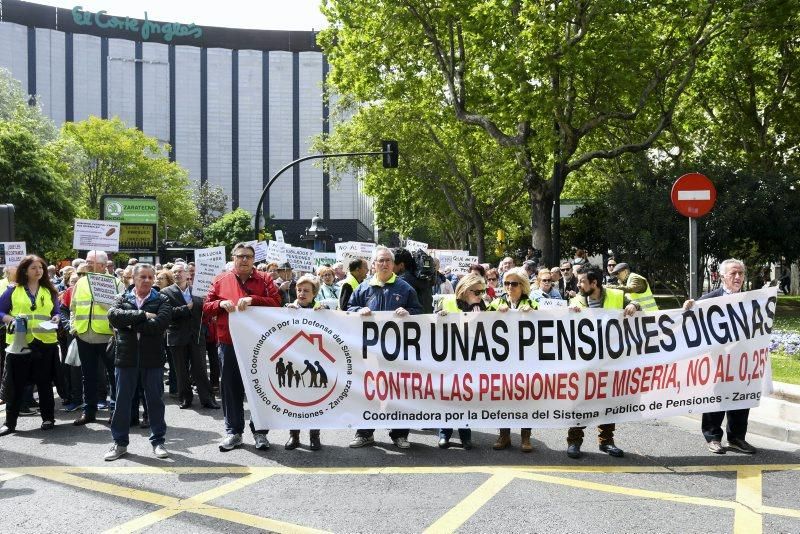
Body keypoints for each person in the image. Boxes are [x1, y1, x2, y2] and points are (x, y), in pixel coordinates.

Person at [203, 243, 282, 452]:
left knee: (258, 387)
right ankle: (234, 432)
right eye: (240, 256)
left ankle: (260, 432)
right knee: (230, 388)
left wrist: (254, 299)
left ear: (254, 259)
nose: (244, 260)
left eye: (248, 256)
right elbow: (206, 307)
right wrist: (220, 304)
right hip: (228, 342)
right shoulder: (220, 280)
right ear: (233, 258)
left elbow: (276, 303)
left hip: (259, 343)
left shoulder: (265, 280)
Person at [348, 246, 422, 449]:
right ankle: (364, 433)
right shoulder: (363, 288)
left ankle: (399, 434)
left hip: (397, 351)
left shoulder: (405, 288)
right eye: (380, 260)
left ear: (393, 264)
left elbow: (419, 312)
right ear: (373, 264)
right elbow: (348, 310)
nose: (384, 264)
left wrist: (408, 312)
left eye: (388, 260)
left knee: (398, 392)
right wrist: (357, 310)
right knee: (368, 392)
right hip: (369, 351)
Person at [566, 263, 640, 459]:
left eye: (582, 281)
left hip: (610, 361)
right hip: (585, 362)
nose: (578, 285)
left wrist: (633, 305)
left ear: (594, 282)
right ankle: (574, 441)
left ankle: (606, 441)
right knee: (580, 402)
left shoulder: (616, 296)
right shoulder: (577, 301)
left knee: (608, 401)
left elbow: (637, 304)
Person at [683, 258, 756, 455]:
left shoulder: (753, 299)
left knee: (742, 399)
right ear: (723, 276)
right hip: (718, 361)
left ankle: (737, 438)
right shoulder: (709, 300)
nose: (738, 277)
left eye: (741, 273)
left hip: (742, 361)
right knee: (716, 398)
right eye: (733, 273)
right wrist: (690, 307)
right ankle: (713, 438)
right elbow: (690, 325)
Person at [104, 264, 172, 461]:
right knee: (122, 402)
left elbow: (160, 325)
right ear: (133, 278)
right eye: (143, 276)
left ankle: (158, 441)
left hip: (153, 358)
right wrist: (143, 315)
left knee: (155, 402)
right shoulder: (122, 298)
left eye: (151, 277)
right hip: (126, 357)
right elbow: (114, 317)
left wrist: (130, 324)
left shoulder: (162, 299)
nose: (148, 280)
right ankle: (119, 443)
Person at [0, 255, 61, 436]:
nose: (39, 271)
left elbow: (55, 312)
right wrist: (10, 319)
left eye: (41, 268)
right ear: (25, 270)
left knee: (44, 384)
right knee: (16, 384)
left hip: (44, 343)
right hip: (20, 344)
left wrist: (56, 318)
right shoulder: (13, 290)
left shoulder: (50, 291)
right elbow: (0, 311)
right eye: (34, 268)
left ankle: (48, 418)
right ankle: (9, 423)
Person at [435, 273, 488, 450]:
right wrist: (439, 317)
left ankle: (465, 435)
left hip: (470, 358)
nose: (480, 295)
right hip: (449, 356)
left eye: (482, 292)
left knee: (465, 397)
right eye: (477, 292)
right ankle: (444, 433)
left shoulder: (482, 306)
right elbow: (431, 324)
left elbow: (487, 331)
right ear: (466, 289)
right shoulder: (447, 301)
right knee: (447, 396)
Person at [71, 250, 124, 426]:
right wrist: (74, 328)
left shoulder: (116, 283)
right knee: (88, 376)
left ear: (102, 265)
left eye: (89, 261)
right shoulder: (81, 282)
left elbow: (121, 309)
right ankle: (89, 411)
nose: (86, 264)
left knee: (113, 375)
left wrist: (101, 300)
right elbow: (73, 307)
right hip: (84, 335)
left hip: (107, 336)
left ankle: (114, 411)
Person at [487, 267, 537, 452]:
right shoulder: (495, 303)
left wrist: (532, 313)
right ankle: (504, 435)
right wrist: (494, 313)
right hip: (502, 361)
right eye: (506, 283)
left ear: (522, 286)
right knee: (503, 397)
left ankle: (525, 437)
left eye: (513, 284)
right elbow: (481, 323)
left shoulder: (533, 304)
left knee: (526, 398)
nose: (509, 287)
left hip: (526, 361)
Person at [161, 263, 219, 410]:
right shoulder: (165, 292)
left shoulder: (198, 291)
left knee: (200, 369)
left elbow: (205, 312)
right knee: (181, 371)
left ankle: (207, 399)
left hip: (197, 336)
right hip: (177, 337)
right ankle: (185, 398)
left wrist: (207, 303)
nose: (177, 274)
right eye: (174, 272)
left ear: (188, 274)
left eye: (180, 271)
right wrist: (186, 309)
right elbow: (167, 314)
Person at [284, 274, 324, 451]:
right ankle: (294, 436)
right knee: (294, 401)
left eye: (306, 290)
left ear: (314, 293)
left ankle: (314, 436)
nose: (301, 293)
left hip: (315, 364)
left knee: (315, 401)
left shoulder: (323, 311)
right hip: (294, 363)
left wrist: (325, 314)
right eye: (299, 290)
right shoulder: (287, 309)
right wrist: (286, 312)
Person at [394, 247, 434, 314]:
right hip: (427, 319)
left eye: (392, 263)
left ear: (401, 265)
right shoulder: (421, 278)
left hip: (411, 321)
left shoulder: (402, 282)